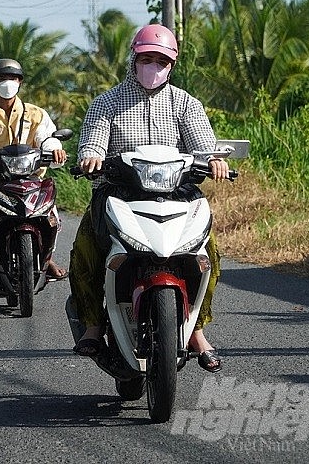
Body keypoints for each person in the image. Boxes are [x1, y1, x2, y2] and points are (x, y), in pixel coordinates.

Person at [69, 24, 229, 373]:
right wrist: (92, 156)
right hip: (118, 194)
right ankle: (94, 326)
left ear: (171, 64)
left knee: (209, 254)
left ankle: (196, 331)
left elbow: (203, 145)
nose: (153, 66)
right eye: (147, 59)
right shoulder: (107, 102)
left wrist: (214, 159)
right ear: (134, 59)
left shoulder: (185, 103)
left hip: (179, 194)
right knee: (85, 250)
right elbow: (93, 139)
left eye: (161, 60)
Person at [0, 58, 68, 282]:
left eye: (13, 78)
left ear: (20, 82)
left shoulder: (36, 114)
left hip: (32, 179)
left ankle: (47, 259)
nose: (8, 82)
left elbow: (47, 138)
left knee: (52, 216)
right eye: (2, 78)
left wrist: (55, 148)